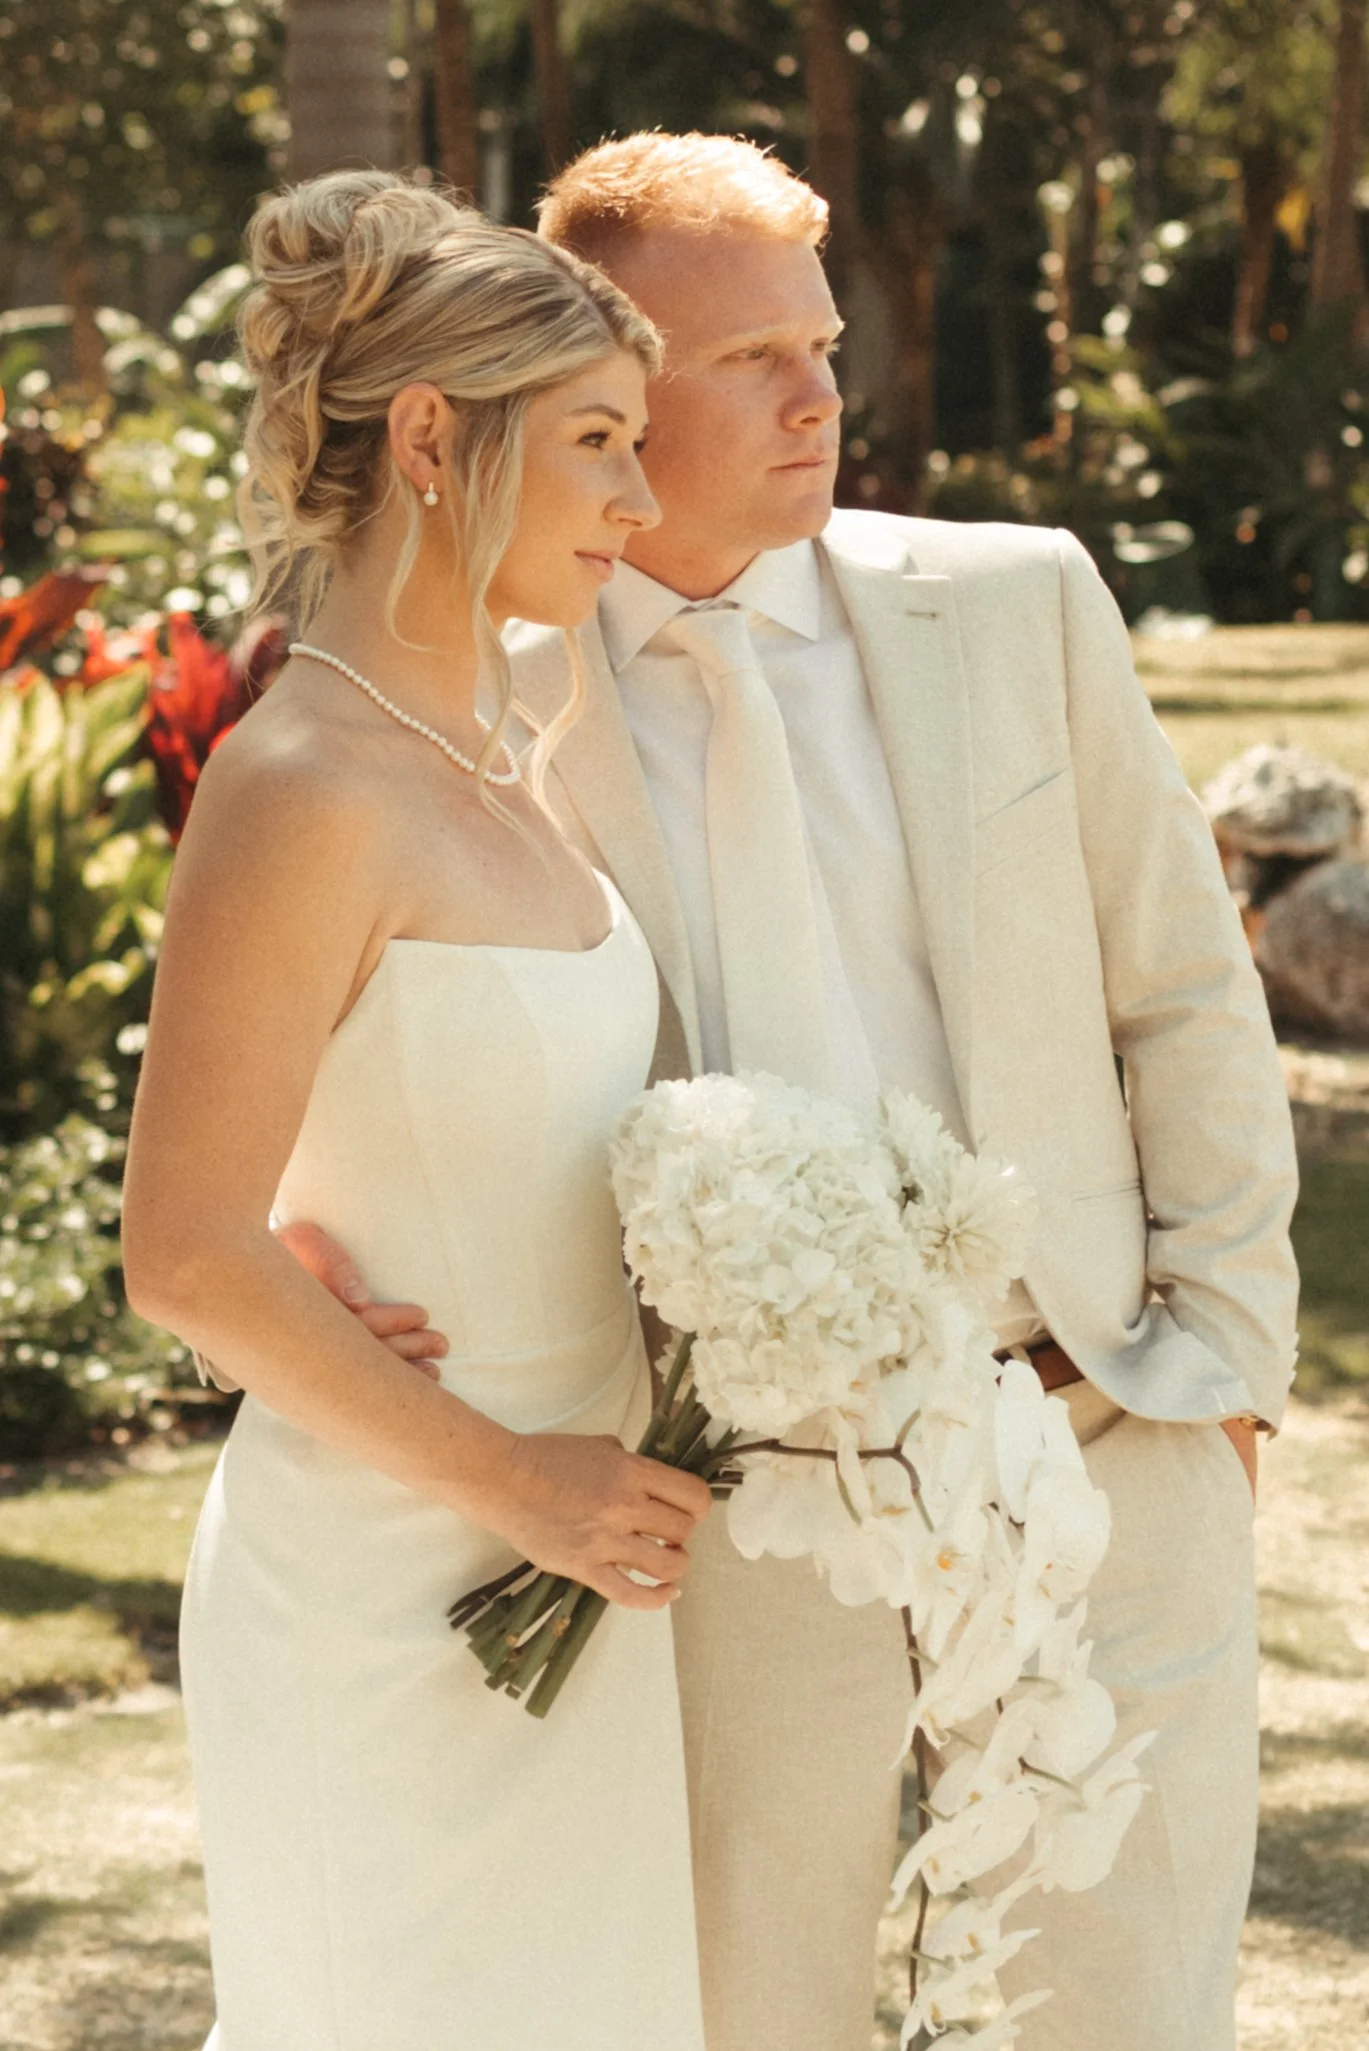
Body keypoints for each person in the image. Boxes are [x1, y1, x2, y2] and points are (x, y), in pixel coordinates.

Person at [284, 137, 1300, 2051]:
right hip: (734, 1510)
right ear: (593, 381)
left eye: (825, 342)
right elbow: (355, 1043)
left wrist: (1223, 1356)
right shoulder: (472, 696)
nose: (822, 393)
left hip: (1093, 1422)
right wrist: (303, 1248)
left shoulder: (1016, 602)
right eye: (750, 357)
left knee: (1129, 2009)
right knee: (771, 2012)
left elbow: (1182, 986)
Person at [120, 168, 714, 2051]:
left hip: (583, 1593)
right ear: (437, 440)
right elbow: (183, 1252)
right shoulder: (302, 781)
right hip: (388, 1595)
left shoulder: (524, 762)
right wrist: (513, 1479)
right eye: (603, 443)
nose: (644, 495)